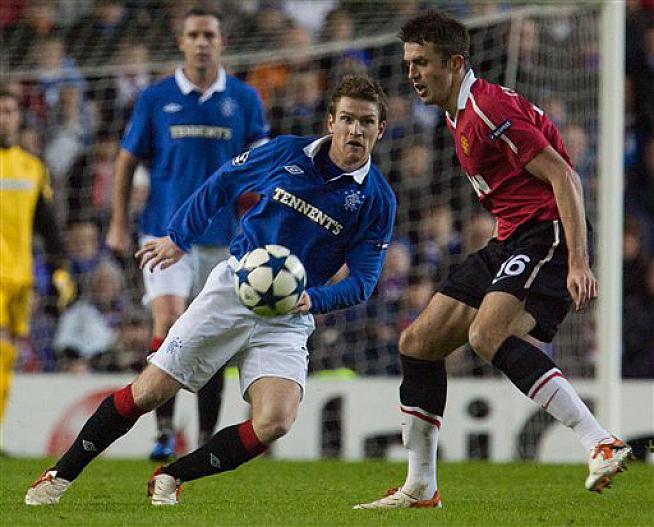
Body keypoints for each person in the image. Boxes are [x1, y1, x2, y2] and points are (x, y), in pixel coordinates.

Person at [25, 73, 396, 505]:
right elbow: (223, 182)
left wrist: (314, 298)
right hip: (233, 290)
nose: (356, 130)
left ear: (380, 129)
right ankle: (59, 476)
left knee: (275, 420)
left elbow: (363, 282)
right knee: (149, 392)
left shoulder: (378, 200)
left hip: (291, 313)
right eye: (347, 119)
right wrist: (179, 237)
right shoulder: (286, 152)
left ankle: (171, 476)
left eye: (366, 122)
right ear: (331, 122)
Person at [354, 11, 631, 510]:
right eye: (409, 63)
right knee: (418, 344)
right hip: (509, 239)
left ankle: (599, 440)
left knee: (487, 335)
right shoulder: (455, 112)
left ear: (455, 63)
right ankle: (420, 487)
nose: (412, 74)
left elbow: (564, 177)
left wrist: (578, 262)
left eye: (422, 63)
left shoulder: (487, 109)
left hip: (544, 232)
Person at [106, 7, 270, 460]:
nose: (201, 42)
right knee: (169, 320)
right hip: (163, 232)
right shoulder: (156, 97)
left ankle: (203, 437)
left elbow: (261, 168)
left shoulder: (244, 99)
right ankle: (163, 431)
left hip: (223, 236)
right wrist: (118, 222)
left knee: (210, 332)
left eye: (209, 35)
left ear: (222, 43)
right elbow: (126, 160)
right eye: (194, 35)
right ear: (181, 42)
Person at [0, 87, 76, 453]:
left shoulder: (31, 167)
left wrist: (60, 269)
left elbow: (47, 226)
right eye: (0, 111)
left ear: (18, 117)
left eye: (9, 111)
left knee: (8, 356)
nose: (4, 118)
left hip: (21, 277)